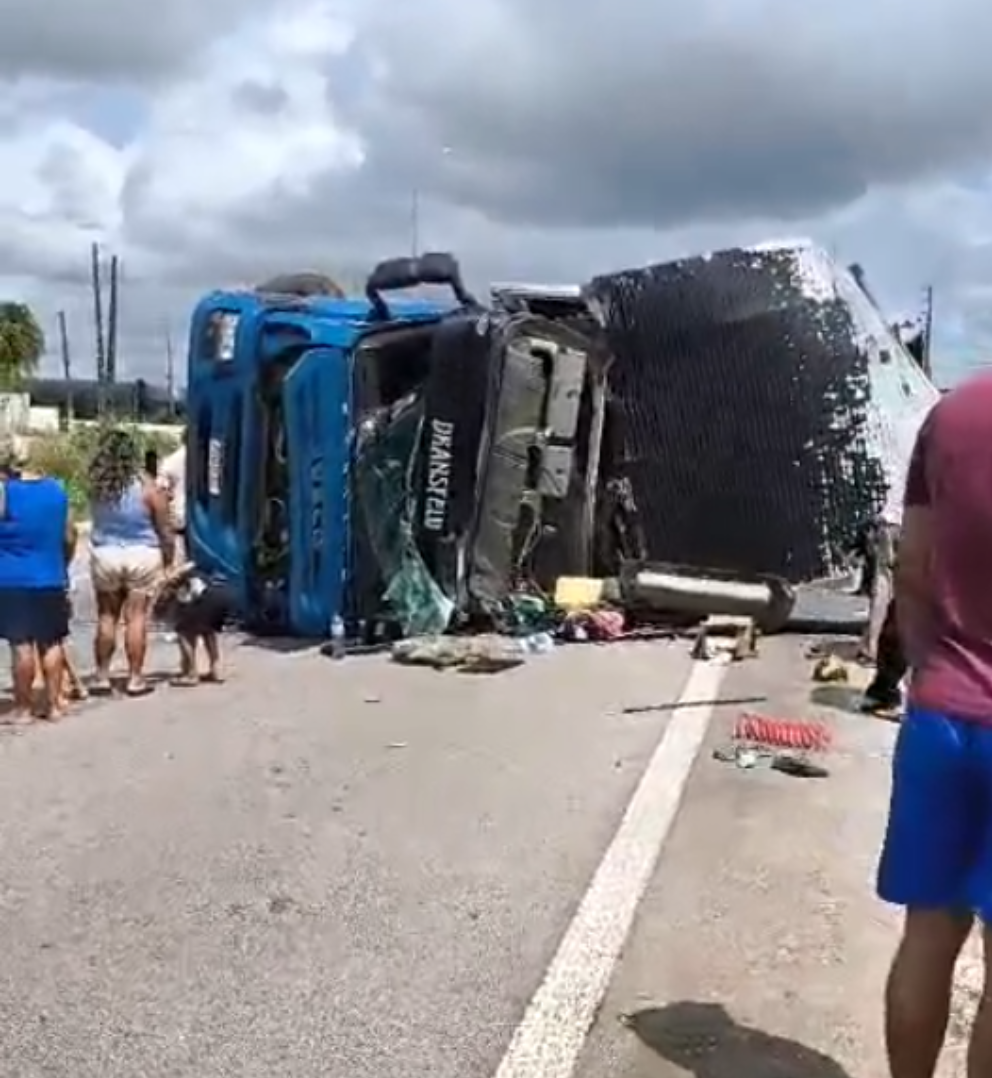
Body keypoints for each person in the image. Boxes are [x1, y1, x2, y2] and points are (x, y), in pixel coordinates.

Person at [877, 372, 992, 1078]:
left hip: (942, 714)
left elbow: (910, 561)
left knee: (927, 933)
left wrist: (926, 668)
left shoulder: (951, 415)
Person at [88, 428, 175, 696]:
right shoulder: (148, 487)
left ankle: (102, 676)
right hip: (142, 554)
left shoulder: (98, 487)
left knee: (106, 616)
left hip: (106, 553)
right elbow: (164, 528)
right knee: (136, 618)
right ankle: (135, 678)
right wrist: (169, 558)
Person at [0, 435, 76, 721]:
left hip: (11, 578)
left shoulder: (6, 492)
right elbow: (69, 535)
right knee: (51, 641)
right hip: (50, 576)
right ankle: (54, 704)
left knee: (21, 645)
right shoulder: (57, 491)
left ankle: (23, 707)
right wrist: (62, 563)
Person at [154, 561, 233, 685]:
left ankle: (191, 674)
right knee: (208, 631)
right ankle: (217, 670)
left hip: (203, 598)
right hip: (220, 596)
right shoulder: (194, 565)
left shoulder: (172, 572)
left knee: (184, 633)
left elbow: (167, 592)